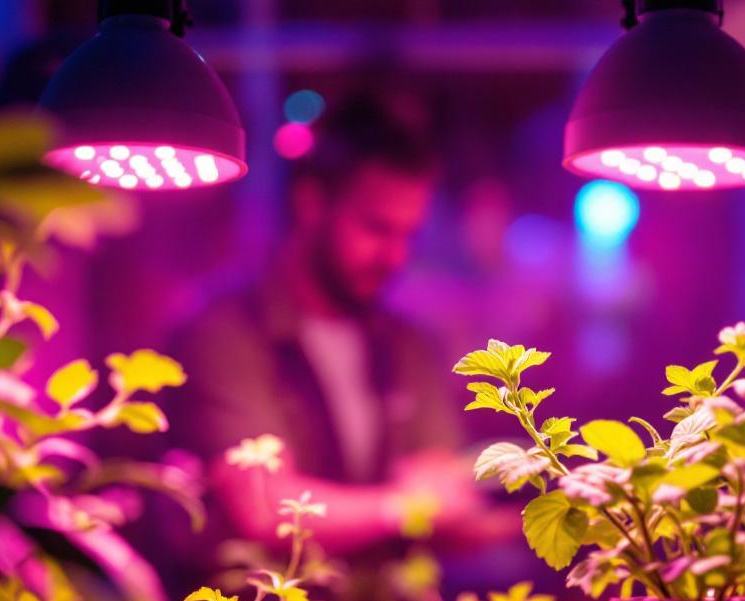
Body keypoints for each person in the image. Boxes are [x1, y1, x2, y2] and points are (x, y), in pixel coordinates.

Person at [174, 93, 503, 566]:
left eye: (408, 235)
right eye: (376, 229)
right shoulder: (224, 334)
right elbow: (267, 509)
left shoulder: (407, 344)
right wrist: (404, 507)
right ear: (311, 204)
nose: (396, 257)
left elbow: (443, 489)